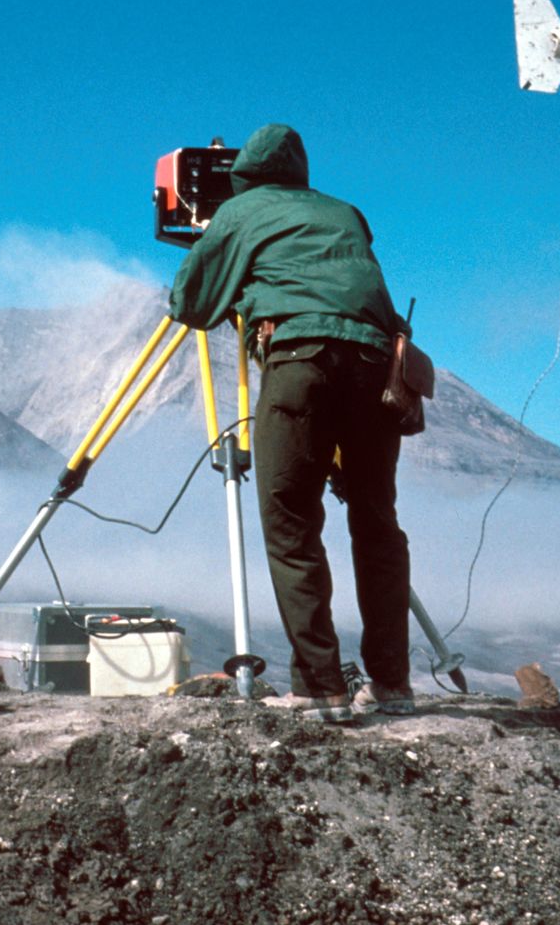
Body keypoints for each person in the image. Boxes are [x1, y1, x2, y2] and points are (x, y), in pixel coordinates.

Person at [168, 123, 415, 722]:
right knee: (377, 523)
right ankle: (391, 684)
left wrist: (223, 254)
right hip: (377, 367)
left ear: (244, 175)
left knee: (291, 521)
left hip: (304, 361)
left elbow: (190, 305)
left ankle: (320, 684)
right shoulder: (346, 213)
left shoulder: (241, 210)